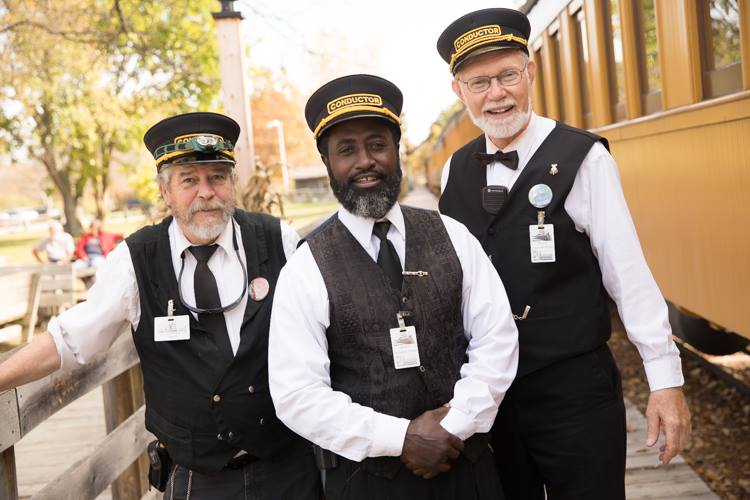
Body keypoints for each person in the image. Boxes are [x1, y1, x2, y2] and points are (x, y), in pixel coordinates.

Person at [435, 8, 691, 499]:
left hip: (575, 391)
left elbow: (628, 274)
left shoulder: (585, 158)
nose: (497, 94)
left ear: (529, 72)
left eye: (508, 75)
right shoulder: (454, 170)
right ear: (459, 91)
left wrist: (665, 381)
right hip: (490, 396)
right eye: (479, 82)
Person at [0, 112, 320, 500]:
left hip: (288, 469)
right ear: (165, 192)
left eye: (217, 176)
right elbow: (68, 339)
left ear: (232, 184)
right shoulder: (135, 259)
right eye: (189, 180)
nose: (206, 192)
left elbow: (328, 322)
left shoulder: (277, 240)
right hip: (197, 479)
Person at [268, 74, 519, 500]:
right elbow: (297, 394)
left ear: (396, 151)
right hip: (368, 483)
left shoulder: (452, 235)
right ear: (328, 163)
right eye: (346, 150)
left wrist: (453, 423)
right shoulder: (306, 266)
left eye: (377, 144)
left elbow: (497, 339)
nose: (365, 160)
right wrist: (401, 438)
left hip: (469, 471)